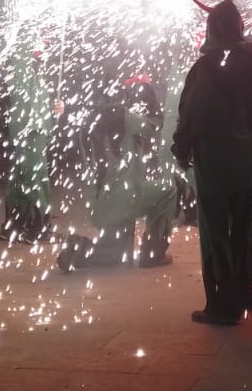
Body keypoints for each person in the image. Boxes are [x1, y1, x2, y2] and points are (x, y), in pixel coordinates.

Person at [172, 0, 252, 325]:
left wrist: (180, 149)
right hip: (248, 155)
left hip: (215, 156)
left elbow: (191, 115)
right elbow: (246, 46)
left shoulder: (206, 68)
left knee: (215, 229)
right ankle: (246, 290)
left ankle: (223, 304)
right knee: (242, 223)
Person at [58, 77, 174, 271]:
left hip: (100, 203)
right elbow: (155, 123)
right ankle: (153, 253)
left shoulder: (87, 122)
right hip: (122, 199)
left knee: (119, 257)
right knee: (168, 190)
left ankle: (78, 249)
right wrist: (147, 90)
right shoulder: (123, 117)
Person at [3, 44, 55, 243]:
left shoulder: (26, 65)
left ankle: (14, 227)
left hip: (25, 128)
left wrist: (53, 108)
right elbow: (32, 99)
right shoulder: (23, 60)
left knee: (19, 179)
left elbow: (36, 97)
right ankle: (38, 231)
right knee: (37, 180)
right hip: (32, 129)